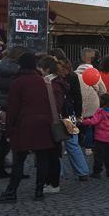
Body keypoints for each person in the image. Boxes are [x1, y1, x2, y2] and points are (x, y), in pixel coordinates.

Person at [0, 53, 62, 203]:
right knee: (42, 159)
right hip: (44, 124)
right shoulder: (44, 82)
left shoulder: (18, 82)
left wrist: (9, 130)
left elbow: (13, 109)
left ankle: (11, 192)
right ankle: (39, 192)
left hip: (24, 125)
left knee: (19, 159)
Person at [50, 50, 89, 182]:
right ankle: (82, 171)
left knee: (58, 144)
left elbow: (77, 96)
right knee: (72, 143)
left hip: (60, 114)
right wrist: (78, 114)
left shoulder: (53, 79)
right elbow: (77, 96)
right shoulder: (72, 76)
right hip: (69, 114)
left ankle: (58, 172)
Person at [0, 46, 24, 178]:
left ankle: (0, 167)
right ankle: (15, 170)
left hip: (5, 104)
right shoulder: (17, 70)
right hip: (15, 106)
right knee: (13, 139)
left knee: (5, 138)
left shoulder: (1, 66)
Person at [37, 55, 67, 194]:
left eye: (41, 69)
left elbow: (56, 105)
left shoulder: (52, 84)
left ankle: (53, 183)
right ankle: (51, 181)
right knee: (52, 154)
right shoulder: (55, 82)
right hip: (53, 120)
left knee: (52, 155)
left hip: (52, 121)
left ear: (47, 69)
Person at [75, 48, 107, 154]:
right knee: (89, 126)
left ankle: (75, 145)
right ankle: (88, 147)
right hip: (92, 104)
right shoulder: (95, 73)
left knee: (76, 124)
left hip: (77, 104)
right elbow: (103, 90)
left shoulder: (74, 74)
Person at [80, 93, 109, 178]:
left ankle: (97, 172)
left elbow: (94, 121)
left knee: (99, 156)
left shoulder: (101, 111)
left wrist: (83, 121)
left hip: (101, 138)